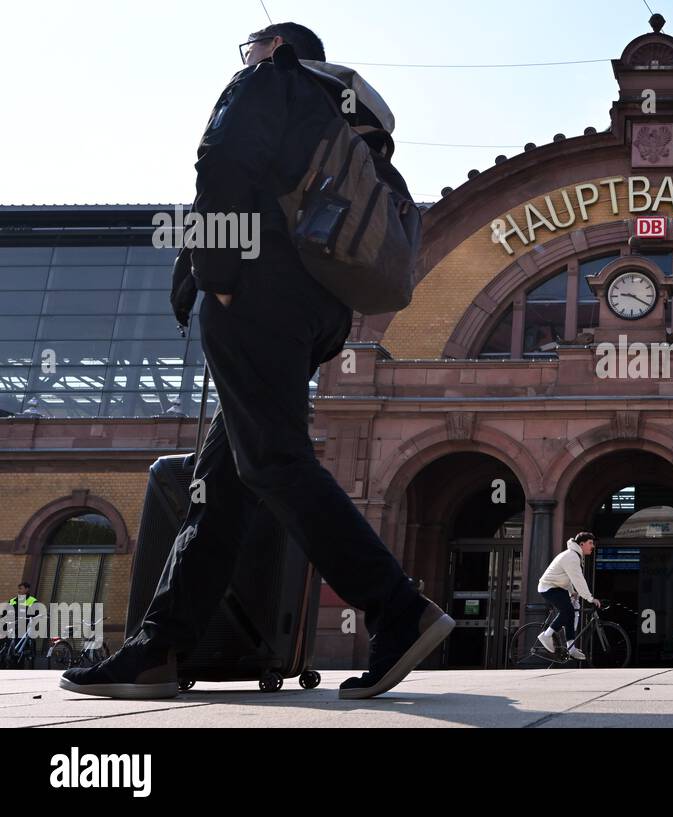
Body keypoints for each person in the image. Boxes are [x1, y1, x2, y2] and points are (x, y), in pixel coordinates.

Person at [62, 23, 452, 701]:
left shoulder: (269, 81)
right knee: (226, 481)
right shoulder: (352, 118)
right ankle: (162, 646)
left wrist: (216, 274)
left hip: (255, 290)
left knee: (272, 460)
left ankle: (397, 607)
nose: (242, 61)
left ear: (274, 47)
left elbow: (220, 164)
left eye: (248, 50)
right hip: (317, 311)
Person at [537, 532, 601, 660]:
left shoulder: (575, 555)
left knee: (570, 614)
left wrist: (572, 591)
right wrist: (590, 598)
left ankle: (571, 648)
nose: (592, 546)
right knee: (567, 611)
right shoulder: (572, 557)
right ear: (581, 544)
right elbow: (578, 580)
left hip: (558, 587)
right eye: (590, 543)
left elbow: (567, 577)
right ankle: (546, 635)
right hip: (548, 587)